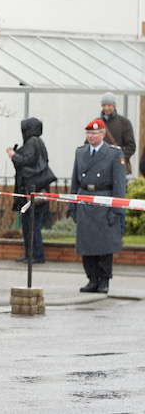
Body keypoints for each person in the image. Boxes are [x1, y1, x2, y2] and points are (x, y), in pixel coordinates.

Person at [68, 119, 127, 294]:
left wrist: (116, 209)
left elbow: (119, 184)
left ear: (102, 134)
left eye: (95, 133)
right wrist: (73, 205)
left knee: (104, 245)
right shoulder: (80, 152)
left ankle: (104, 280)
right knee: (87, 244)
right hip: (85, 199)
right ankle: (92, 279)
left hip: (104, 200)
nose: (92, 137)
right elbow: (74, 181)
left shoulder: (114, 153)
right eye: (89, 134)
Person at [6, 117, 50, 264]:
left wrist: (14, 155)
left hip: (32, 189)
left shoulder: (33, 142)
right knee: (30, 224)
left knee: (31, 225)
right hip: (34, 189)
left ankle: (35, 255)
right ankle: (31, 254)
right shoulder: (38, 142)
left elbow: (27, 161)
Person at [95, 93, 135, 175]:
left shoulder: (124, 122)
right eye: (104, 105)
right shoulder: (96, 122)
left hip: (118, 167)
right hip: (99, 167)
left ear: (114, 106)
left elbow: (131, 146)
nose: (106, 108)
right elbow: (88, 144)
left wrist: (119, 159)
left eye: (109, 105)